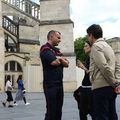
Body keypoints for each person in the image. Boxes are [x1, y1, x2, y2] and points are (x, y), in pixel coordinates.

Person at [86, 24, 120, 120]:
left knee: (102, 116)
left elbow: (104, 67)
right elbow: (117, 66)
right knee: (112, 115)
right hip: (110, 88)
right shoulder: (109, 47)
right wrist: (117, 82)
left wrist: (114, 83)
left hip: (101, 87)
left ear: (91, 35)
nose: (88, 39)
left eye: (88, 36)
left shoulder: (96, 46)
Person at [40, 30, 69, 120]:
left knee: (58, 110)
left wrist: (59, 59)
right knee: (51, 111)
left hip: (59, 84)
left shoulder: (57, 51)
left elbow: (67, 64)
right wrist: (61, 59)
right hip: (50, 84)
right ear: (51, 37)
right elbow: (54, 62)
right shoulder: (45, 48)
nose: (60, 40)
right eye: (58, 38)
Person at [74, 41, 95, 120]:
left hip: (90, 88)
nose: (84, 48)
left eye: (86, 46)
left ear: (91, 47)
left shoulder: (94, 58)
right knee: (82, 111)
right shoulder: (87, 58)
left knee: (93, 111)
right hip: (84, 87)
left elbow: (92, 73)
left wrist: (83, 67)